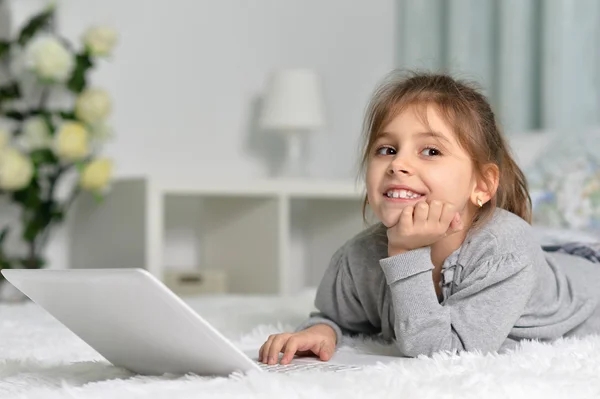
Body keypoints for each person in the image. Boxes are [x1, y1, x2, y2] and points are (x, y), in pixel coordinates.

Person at [258, 71, 600, 366]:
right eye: (387, 150)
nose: (397, 164)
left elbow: (444, 355)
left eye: (431, 151)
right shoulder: (359, 256)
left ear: (482, 185)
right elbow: (335, 316)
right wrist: (321, 331)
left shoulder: (506, 248)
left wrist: (406, 256)